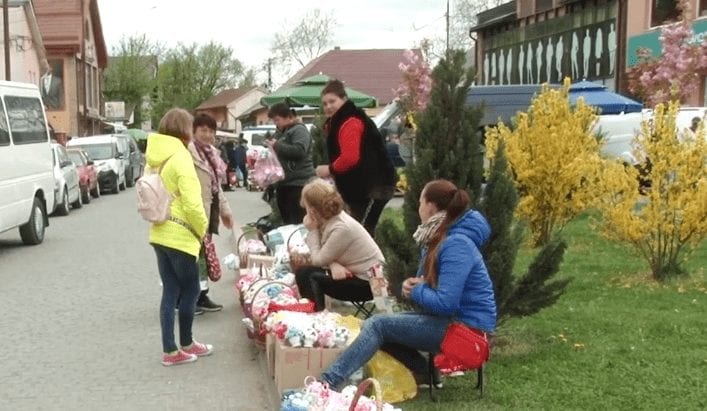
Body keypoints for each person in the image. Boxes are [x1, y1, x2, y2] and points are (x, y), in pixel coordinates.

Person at [320, 179, 497, 388]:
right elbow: (432, 290)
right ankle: (426, 374)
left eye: (420, 202)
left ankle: (328, 382)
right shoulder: (438, 237)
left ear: (430, 207)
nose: (418, 207)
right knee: (381, 322)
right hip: (452, 322)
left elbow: (446, 303)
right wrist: (414, 286)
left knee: (378, 325)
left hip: (466, 330)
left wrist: (417, 289)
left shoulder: (456, 244)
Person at [145, 108, 211, 366]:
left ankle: (170, 350)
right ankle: (186, 343)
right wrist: (202, 229)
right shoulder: (182, 157)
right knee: (191, 289)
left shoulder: (153, 156)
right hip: (182, 233)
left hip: (159, 231)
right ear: (185, 130)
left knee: (170, 291)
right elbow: (194, 204)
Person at [316, 79, 396, 237]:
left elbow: (350, 157)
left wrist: (329, 169)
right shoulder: (340, 121)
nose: (328, 107)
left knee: (361, 233)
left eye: (332, 101)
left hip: (373, 186)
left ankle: (370, 261)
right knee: (359, 231)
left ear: (344, 99)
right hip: (363, 187)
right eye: (324, 104)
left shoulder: (350, 122)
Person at [293, 179, 385, 311]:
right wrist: (333, 264)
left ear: (312, 211)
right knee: (306, 271)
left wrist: (312, 231)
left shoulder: (341, 227)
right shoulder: (330, 219)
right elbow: (321, 253)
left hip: (370, 283)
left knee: (307, 274)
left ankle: (316, 317)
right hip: (355, 274)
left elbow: (317, 259)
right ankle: (315, 313)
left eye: (306, 207)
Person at [187, 113, 235, 314]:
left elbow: (216, 187)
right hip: (192, 214)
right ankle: (188, 298)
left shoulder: (210, 154)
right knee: (192, 258)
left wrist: (226, 211)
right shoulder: (188, 153)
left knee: (204, 256)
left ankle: (201, 295)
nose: (207, 135)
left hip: (208, 211)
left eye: (210, 131)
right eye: (203, 130)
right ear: (194, 131)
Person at [265, 102, 315, 224]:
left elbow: (299, 151)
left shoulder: (299, 130)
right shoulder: (281, 132)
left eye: (277, 120)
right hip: (284, 184)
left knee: (298, 221)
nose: (276, 124)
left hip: (298, 184)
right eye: (274, 121)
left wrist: (276, 145)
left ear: (288, 117)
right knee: (288, 221)